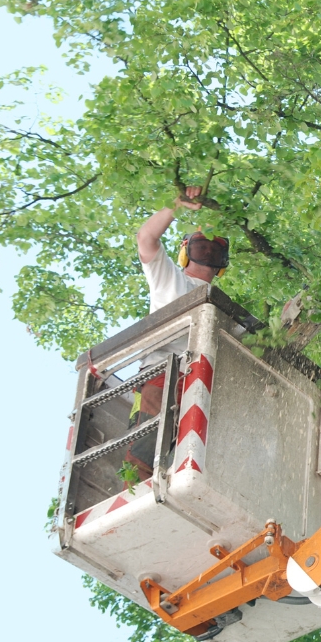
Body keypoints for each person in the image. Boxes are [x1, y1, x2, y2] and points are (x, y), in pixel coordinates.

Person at [124, 185, 230, 479]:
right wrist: (176, 204)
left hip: (202, 384)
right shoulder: (168, 277)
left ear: (223, 262)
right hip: (162, 374)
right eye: (200, 246)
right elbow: (146, 238)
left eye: (214, 248)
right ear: (185, 252)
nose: (207, 251)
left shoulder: (224, 311)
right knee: (145, 451)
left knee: (191, 467)